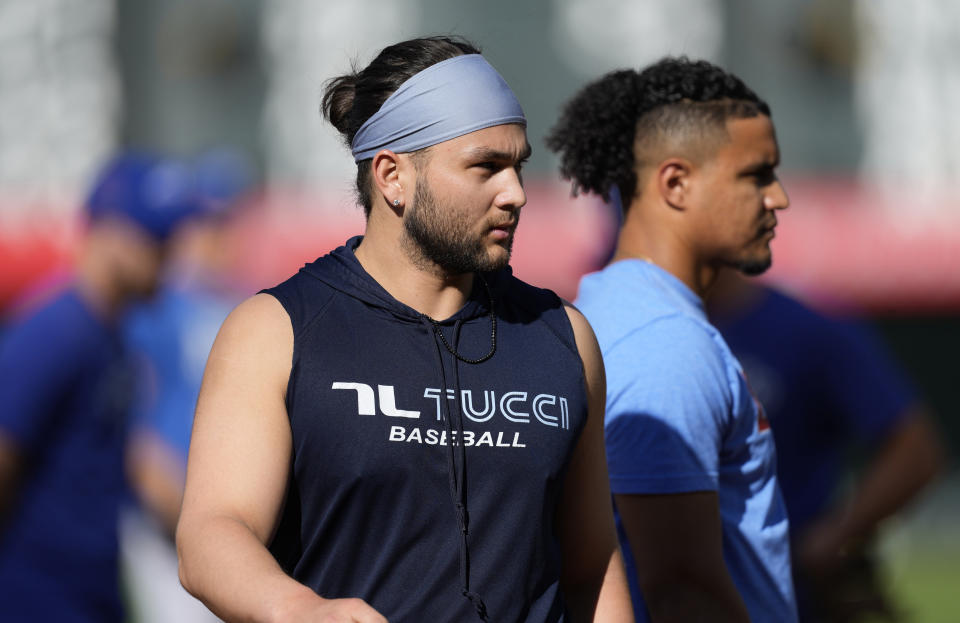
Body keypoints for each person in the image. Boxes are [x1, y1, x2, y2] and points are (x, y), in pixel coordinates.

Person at [176, 36, 632, 623]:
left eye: (517, 166)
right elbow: (213, 533)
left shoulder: (562, 336)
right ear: (392, 176)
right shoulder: (276, 330)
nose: (516, 193)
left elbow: (592, 564)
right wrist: (302, 610)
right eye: (486, 167)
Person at [547, 57, 796, 622]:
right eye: (757, 174)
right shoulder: (665, 345)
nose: (778, 198)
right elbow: (683, 592)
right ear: (676, 183)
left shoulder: (610, 310)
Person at [0, 153, 199, 622]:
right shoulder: (55, 331)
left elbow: (130, 460)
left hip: (90, 598)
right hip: (35, 601)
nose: (170, 255)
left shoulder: (110, 336)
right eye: (156, 239)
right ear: (110, 234)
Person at [708, 271, 943, 622]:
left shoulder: (803, 327)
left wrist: (835, 537)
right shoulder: (627, 316)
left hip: (784, 593)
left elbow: (915, 448)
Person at [121, 150, 252, 623]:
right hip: (165, 522)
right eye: (206, 223)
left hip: (234, 521)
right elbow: (134, 424)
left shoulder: (252, 303)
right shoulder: (154, 307)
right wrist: (179, 509)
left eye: (225, 222)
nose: (217, 237)